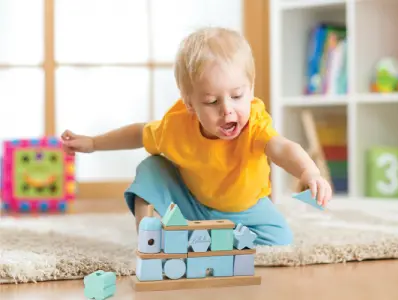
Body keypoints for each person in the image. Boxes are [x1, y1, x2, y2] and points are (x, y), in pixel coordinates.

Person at [60, 27, 333, 246]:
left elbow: (283, 148)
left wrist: (309, 172)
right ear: (191, 104)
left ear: (250, 90)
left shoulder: (255, 124)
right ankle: (148, 231)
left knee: (281, 238)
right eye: (212, 101)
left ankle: (207, 235)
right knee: (152, 166)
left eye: (237, 96)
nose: (227, 109)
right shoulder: (177, 125)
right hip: (192, 202)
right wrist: (94, 143)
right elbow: (137, 133)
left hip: (245, 210)